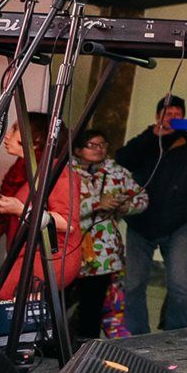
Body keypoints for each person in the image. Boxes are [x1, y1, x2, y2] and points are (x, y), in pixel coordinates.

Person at [117, 96, 187, 333]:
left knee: (181, 286)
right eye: (168, 113)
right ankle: (136, 335)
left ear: (184, 117)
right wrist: (152, 136)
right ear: (158, 116)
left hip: (179, 223)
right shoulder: (148, 138)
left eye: (177, 114)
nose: (172, 118)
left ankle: (176, 336)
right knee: (133, 284)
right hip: (141, 221)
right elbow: (122, 159)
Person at [0, 111, 84, 304]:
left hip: (50, 258)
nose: (7, 135)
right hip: (25, 257)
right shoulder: (20, 172)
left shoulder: (58, 172)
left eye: (14, 129)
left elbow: (67, 223)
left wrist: (20, 209)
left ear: (36, 139)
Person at [70, 127, 148, 340]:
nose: (99, 149)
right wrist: (96, 203)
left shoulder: (117, 172)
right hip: (71, 249)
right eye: (92, 145)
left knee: (93, 307)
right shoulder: (66, 173)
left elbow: (143, 199)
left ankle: (87, 348)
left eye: (102, 145)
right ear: (77, 149)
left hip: (103, 253)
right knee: (59, 303)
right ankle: (56, 346)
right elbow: (59, 208)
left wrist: (126, 206)